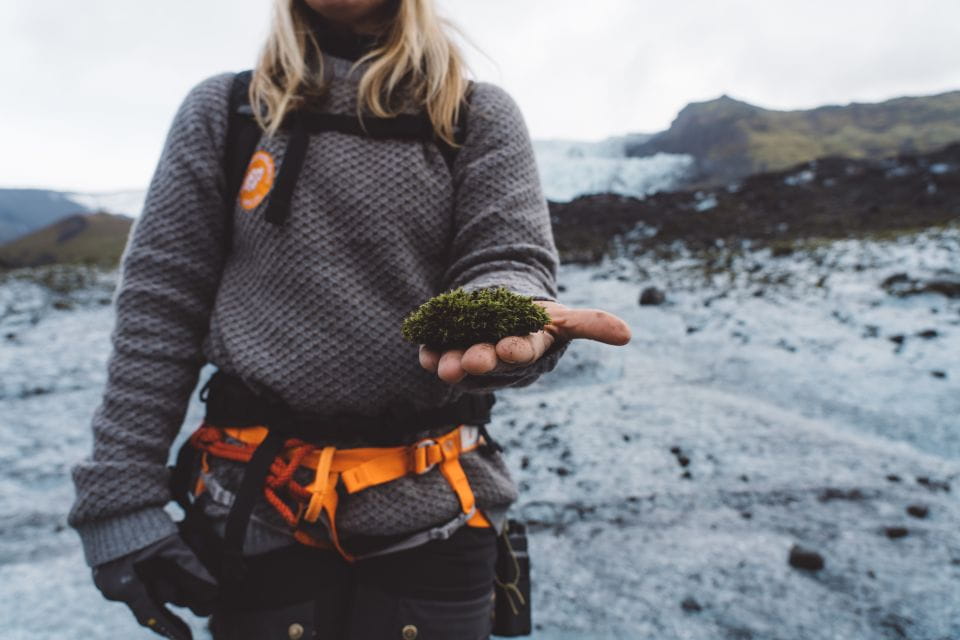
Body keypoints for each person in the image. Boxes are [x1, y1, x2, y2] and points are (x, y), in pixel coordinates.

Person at [68, 0, 631, 638]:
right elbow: (161, 305)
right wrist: (119, 496)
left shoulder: (474, 115)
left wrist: (503, 315)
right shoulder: (228, 113)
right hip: (256, 511)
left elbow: (505, 257)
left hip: (440, 511)